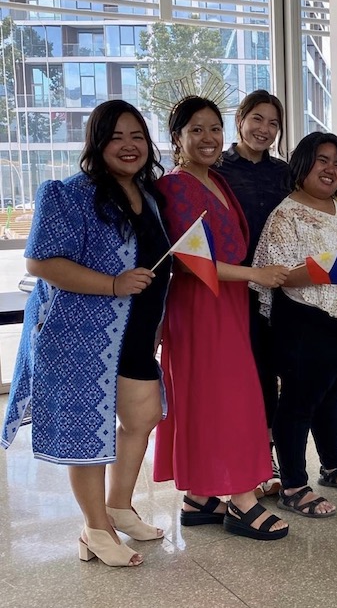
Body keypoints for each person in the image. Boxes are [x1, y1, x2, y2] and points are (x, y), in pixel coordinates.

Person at [1, 100, 171, 566]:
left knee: (142, 418)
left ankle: (119, 506)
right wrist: (113, 284)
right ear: (97, 144)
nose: (128, 145)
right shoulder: (68, 194)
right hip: (76, 335)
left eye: (136, 135)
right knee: (88, 432)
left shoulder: (150, 196)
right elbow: (41, 261)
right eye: (116, 137)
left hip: (134, 334)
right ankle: (95, 529)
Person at [153, 96, 289, 542]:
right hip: (200, 303)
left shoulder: (215, 180)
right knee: (229, 396)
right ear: (178, 137)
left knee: (217, 394)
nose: (208, 138)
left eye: (213, 128)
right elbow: (191, 260)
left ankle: (200, 496)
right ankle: (241, 499)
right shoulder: (175, 185)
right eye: (196, 129)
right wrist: (256, 274)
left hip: (227, 297)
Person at [253, 131, 337, 517]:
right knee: (298, 404)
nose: (331, 169)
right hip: (308, 319)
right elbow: (275, 275)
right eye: (322, 160)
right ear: (303, 163)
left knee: (334, 398)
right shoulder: (285, 214)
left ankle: (332, 466)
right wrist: (323, 269)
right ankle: (293, 484)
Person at [213, 90, 291, 497]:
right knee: (242, 373)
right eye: (257, 119)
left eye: (273, 123)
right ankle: (236, 456)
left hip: (279, 286)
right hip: (233, 285)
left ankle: (267, 453)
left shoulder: (283, 172)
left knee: (271, 371)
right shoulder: (218, 169)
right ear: (240, 119)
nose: (265, 129)